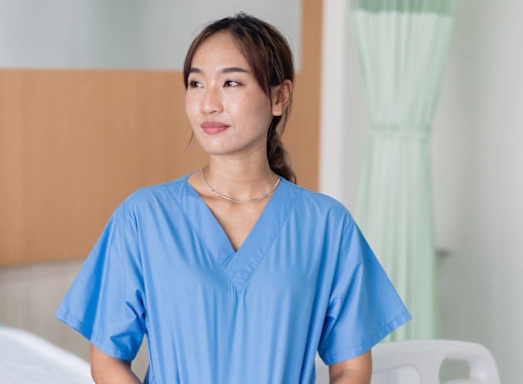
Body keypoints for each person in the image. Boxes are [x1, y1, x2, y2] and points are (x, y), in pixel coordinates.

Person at [55, 13, 409, 384]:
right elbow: (108, 362)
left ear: (279, 96)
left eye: (231, 82)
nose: (208, 103)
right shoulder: (143, 217)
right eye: (196, 83)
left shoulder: (326, 225)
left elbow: (351, 368)